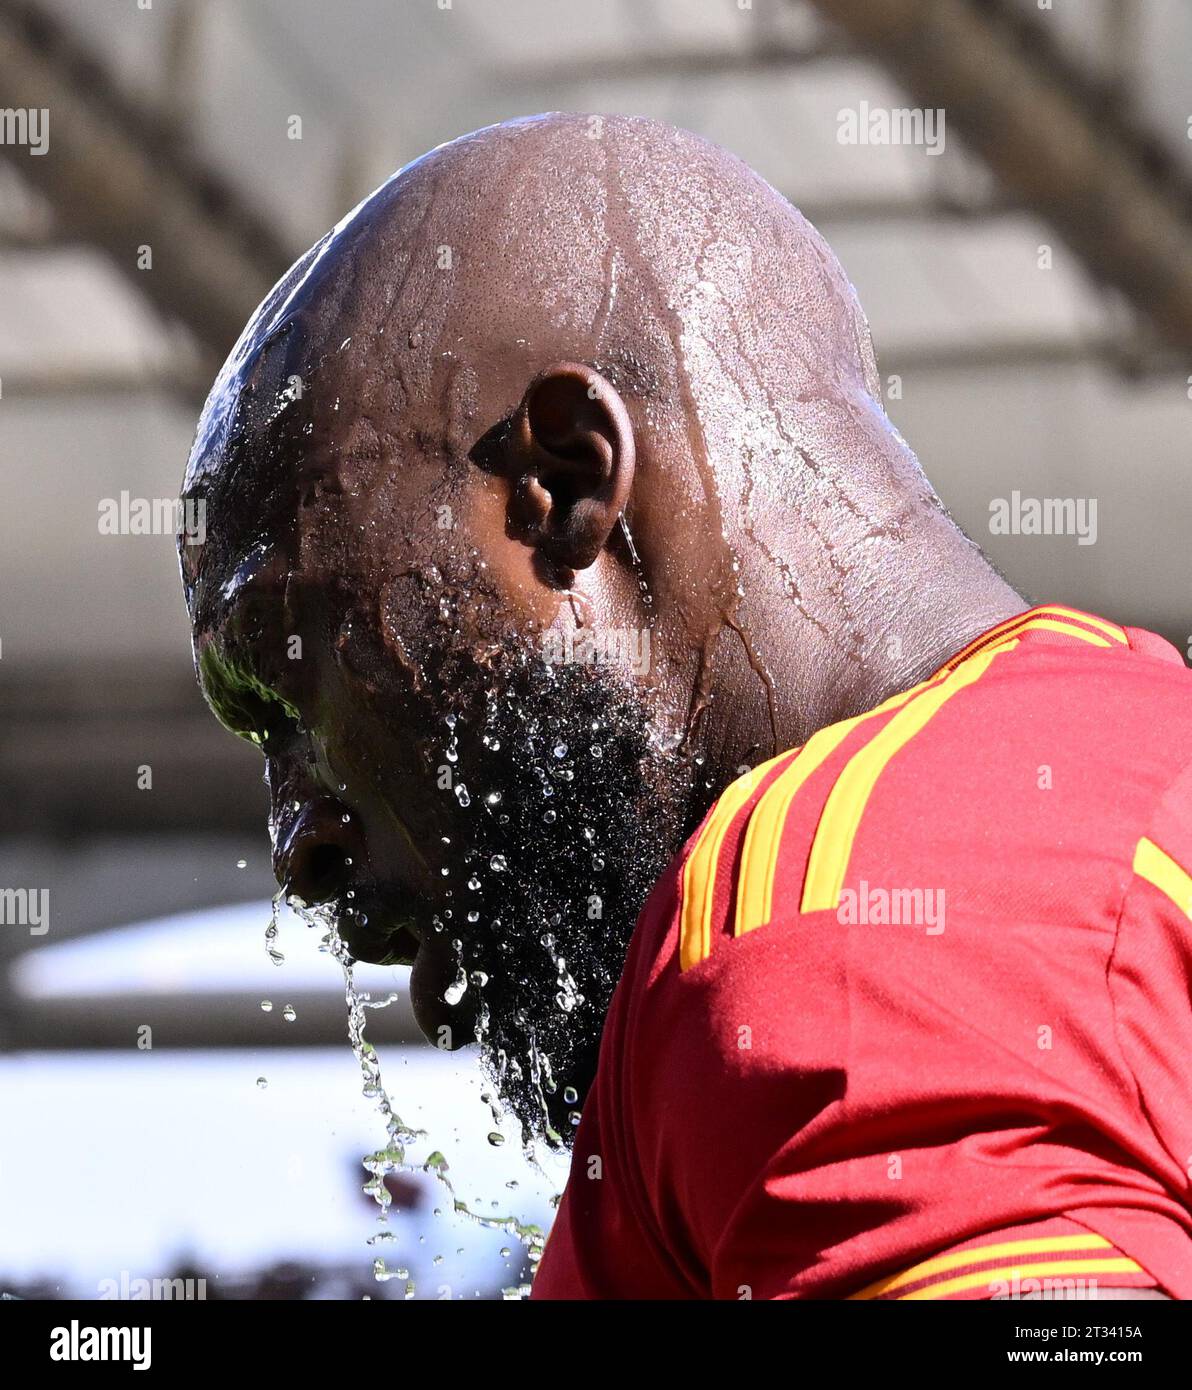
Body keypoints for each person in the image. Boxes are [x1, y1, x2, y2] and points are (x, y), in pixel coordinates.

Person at [180, 113, 1189, 1299]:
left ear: (557, 487)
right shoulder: (1125, 744)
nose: (294, 848)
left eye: (291, 678)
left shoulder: (849, 935)